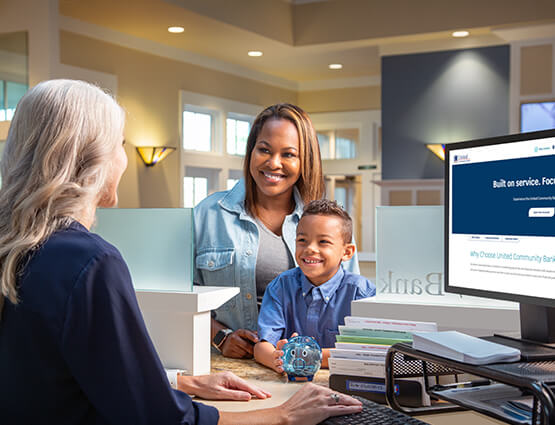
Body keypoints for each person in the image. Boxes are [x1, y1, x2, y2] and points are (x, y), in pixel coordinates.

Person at [0, 80, 362, 425]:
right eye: (120, 145)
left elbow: (68, 376)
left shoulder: (21, 248)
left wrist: (180, 382)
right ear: (90, 159)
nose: (124, 160)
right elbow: (159, 417)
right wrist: (281, 416)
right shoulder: (92, 263)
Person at [194, 103, 360, 359]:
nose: (274, 163)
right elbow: (180, 298)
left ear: (304, 161)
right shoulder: (207, 214)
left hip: (304, 369)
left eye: (289, 154)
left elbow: (352, 306)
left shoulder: (329, 223)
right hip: (224, 366)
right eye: (264, 150)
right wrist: (220, 337)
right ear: (251, 152)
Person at [254, 199, 376, 373]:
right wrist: (276, 358)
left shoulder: (362, 294)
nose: (310, 248)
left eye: (323, 242)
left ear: (347, 252)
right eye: (302, 240)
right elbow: (261, 347)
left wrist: (306, 356)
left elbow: (364, 353)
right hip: (288, 383)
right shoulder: (280, 287)